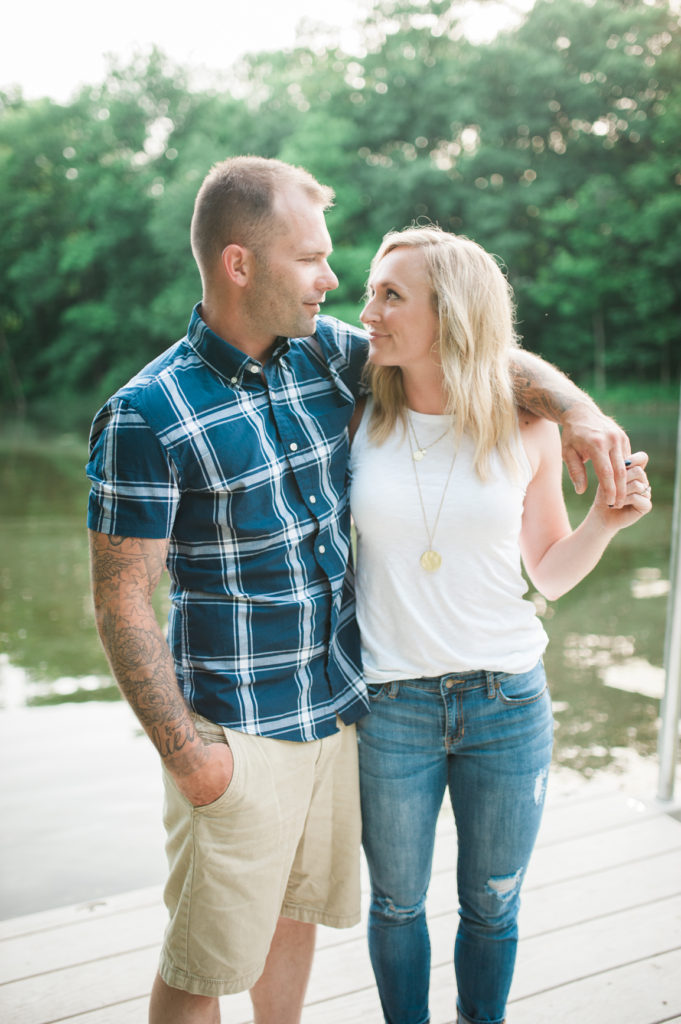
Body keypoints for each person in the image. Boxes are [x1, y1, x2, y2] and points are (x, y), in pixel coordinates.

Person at [87, 155, 633, 1024]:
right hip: (239, 730)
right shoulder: (150, 412)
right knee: (203, 960)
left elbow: (481, 352)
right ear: (241, 263)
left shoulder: (327, 357)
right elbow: (120, 600)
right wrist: (188, 754)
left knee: (298, 919)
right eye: (312, 260)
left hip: (339, 715)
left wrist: (576, 411)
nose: (333, 283)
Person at [349, 225, 652, 1024]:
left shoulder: (528, 427)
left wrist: (605, 526)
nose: (367, 310)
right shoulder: (354, 412)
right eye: (370, 290)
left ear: (449, 314)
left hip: (505, 703)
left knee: (492, 908)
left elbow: (546, 569)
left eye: (390, 295)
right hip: (389, 706)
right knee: (396, 905)